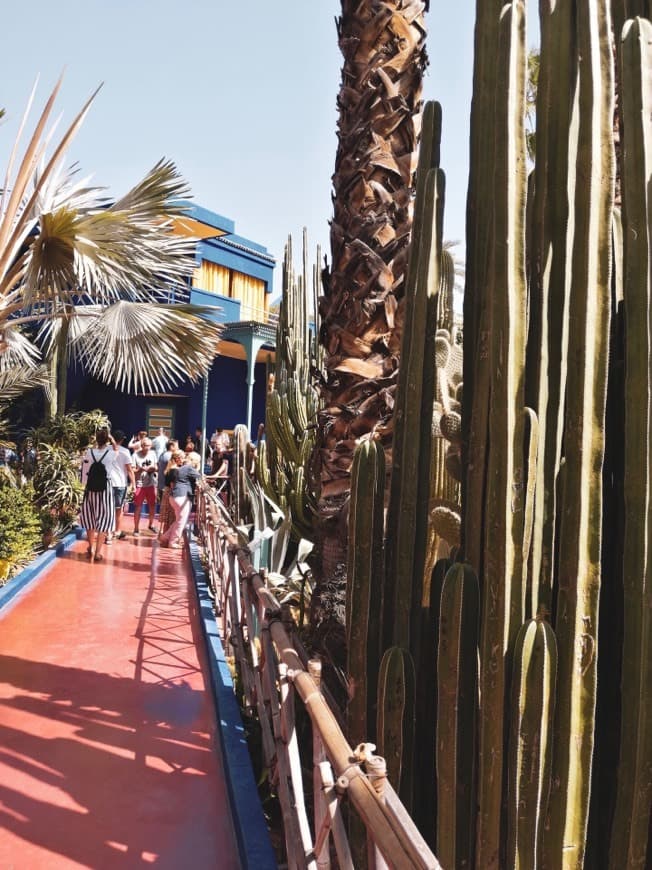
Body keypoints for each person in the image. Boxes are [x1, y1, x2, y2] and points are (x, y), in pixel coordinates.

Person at [80, 427, 119, 562]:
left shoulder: (89, 452)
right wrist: (112, 440)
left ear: (96, 439)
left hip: (90, 488)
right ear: (107, 439)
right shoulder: (110, 454)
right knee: (104, 518)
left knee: (91, 517)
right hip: (105, 489)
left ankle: (90, 548)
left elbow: (84, 470)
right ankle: (97, 552)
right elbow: (116, 450)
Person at [159, 451, 200, 549]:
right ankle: (172, 542)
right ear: (195, 462)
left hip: (174, 496)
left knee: (178, 520)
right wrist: (197, 468)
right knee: (181, 521)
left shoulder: (181, 468)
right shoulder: (189, 468)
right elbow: (200, 476)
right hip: (182, 497)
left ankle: (165, 537)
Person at [106, 430, 135, 543]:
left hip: (107, 483)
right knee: (119, 509)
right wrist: (133, 484)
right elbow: (129, 469)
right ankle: (116, 531)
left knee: (108, 509)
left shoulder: (106, 449)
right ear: (122, 439)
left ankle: (108, 532)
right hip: (120, 484)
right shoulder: (125, 451)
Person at [131, 437, 158, 536]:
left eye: (149, 446)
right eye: (145, 445)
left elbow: (156, 466)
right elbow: (132, 469)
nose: (147, 448)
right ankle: (136, 528)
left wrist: (153, 468)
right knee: (138, 506)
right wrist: (140, 470)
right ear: (141, 445)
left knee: (152, 505)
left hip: (151, 483)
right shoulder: (135, 455)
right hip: (140, 484)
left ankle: (151, 524)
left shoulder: (153, 454)